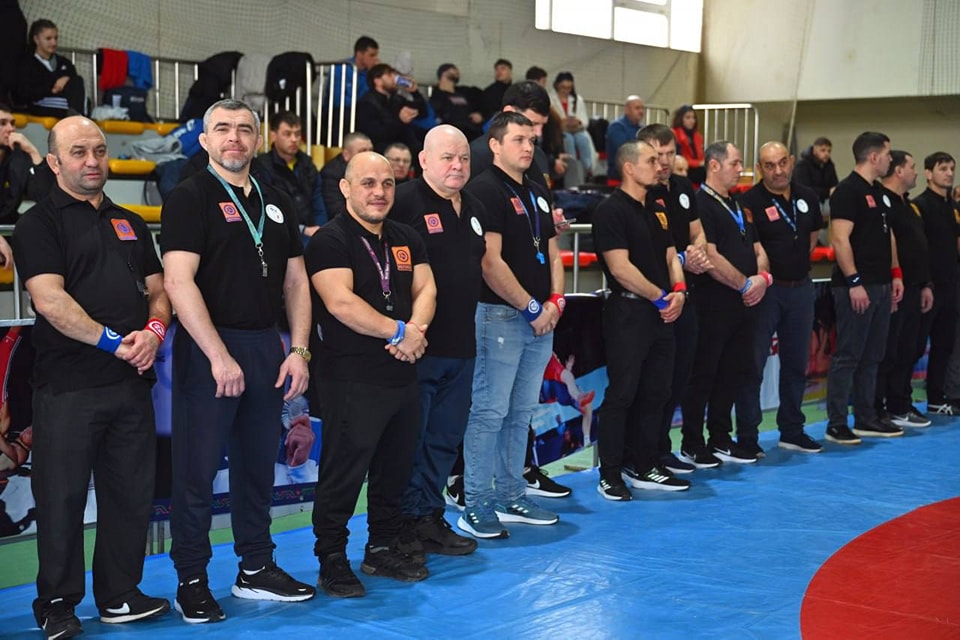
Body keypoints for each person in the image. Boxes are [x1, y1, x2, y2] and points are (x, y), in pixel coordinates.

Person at [12, 115, 171, 638]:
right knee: (61, 498)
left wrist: (153, 333)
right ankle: (57, 603)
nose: (92, 161)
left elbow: (159, 290)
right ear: (54, 162)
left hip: (131, 382)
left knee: (130, 495)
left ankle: (120, 595)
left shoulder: (130, 221)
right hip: (69, 386)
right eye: (78, 152)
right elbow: (50, 301)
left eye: (99, 151)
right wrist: (114, 342)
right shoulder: (39, 223)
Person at [161, 99, 316, 623]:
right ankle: (191, 579)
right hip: (210, 348)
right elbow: (178, 282)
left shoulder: (277, 201)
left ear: (258, 139)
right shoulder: (189, 197)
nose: (235, 137)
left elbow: (296, 282)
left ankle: (255, 568)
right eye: (223, 128)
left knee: (256, 469)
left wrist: (298, 348)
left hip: (264, 346)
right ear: (205, 140)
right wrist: (218, 355)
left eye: (245, 129)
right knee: (197, 473)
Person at [307, 151, 436, 597]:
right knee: (343, 473)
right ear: (346, 188)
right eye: (367, 183)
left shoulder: (405, 237)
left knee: (395, 469)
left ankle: (381, 546)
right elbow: (340, 303)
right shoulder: (329, 240)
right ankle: (331, 558)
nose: (379, 192)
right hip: (350, 376)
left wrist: (415, 331)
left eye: (387, 183)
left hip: (402, 372)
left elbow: (426, 287)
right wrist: (401, 332)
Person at [457, 111, 565, 539]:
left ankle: (511, 494)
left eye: (532, 140)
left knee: (521, 413)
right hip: (501, 315)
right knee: (490, 412)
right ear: (495, 145)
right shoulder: (484, 189)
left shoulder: (537, 190)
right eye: (518, 139)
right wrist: (533, 307)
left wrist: (556, 301)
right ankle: (476, 503)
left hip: (540, 317)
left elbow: (553, 253)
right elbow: (490, 262)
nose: (527, 146)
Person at [390, 125, 484, 560]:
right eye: (447, 157)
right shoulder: (404, 202)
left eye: (463, 158)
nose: (457, 166)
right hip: (418, 346)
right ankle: (399, 525)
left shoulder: (474, 206)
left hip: (463, 346)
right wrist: (400, 331)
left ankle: (429, 516)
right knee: (410, 442)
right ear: (424, 160)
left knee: (445, 440)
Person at [592, 140, 690, 500]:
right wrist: (661, 296)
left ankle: (646, 464)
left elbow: (671, 255)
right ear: (629, 168)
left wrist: (680, 290)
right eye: (651, 160)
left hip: (662, 312)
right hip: (629, 313)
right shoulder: (610, 210)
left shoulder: (658, 207)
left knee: (657, 391)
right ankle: (610, 473)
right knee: (622, 393)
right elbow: (620, 268)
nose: (659, 165)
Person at [680, 141, 770, 468]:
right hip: (713, 302)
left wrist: (762, 279)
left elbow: (758, 248)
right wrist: (745, 283)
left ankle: (720, 437)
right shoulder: (701, 204)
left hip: (744, 302)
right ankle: (692, 442)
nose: (740, 169)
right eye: (735, 163)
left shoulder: (739, 204)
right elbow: (710, 256)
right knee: (704, 373)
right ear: (714, 165)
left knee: (733, 371)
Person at [736, 142, 825, 455]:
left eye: (782, 163)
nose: (778, 171)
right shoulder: (749, 201)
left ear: (791, 161)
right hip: (766, 292)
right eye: (769, 165)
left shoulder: (808, 196)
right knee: (753, 366)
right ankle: (747, 437)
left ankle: (792, 430)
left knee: (796, 364)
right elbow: (751, 247)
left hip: (801, 289)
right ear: (760, 168)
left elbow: (811, 237)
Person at [637, 123, 711, 475]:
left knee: (679, 377)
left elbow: (698, 232)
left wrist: (696, 252)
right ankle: (642, 454)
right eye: (657, 155)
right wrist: (682, 258)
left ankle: (663, 448)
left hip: (687, 295)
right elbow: (646, 251)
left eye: (670, 154)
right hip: (652, 298)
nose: (664, 161)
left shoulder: (682, 188)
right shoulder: (641, 193)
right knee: (652, 383)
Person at [825, 131, 904, 444]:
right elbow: (839, 239)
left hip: (882, 284)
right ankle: (836, 423)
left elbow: (888, 235)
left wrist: (895, 274)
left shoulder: (879, 192)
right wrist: (854, 281)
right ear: (873, 157)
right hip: (856, 286)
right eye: (887, 154)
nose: (890, 159)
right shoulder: (847, 191)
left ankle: (866, 417)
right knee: (848, 355)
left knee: (873, 356)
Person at [874, 150, 933, 428]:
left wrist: (925, 284)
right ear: (898, 171)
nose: (916, 172)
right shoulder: (883, 202)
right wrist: (893, 279)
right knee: (889, 351)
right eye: (912, 166)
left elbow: (920, 246)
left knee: (910, 349)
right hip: (893, 287)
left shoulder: (908, 205)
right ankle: (879, 406)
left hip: (913, 286)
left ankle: (900, 403)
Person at [913, 152, 959, 415]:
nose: (949, 173)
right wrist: (925, 284)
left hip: (951, 285)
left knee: (944, 344)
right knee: (916, 345)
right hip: (929, 286)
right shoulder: (919, 206)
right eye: (943, 168)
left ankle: (935, 396)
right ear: (929, 173)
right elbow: (918, 250)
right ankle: (897, 400)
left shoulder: (953, 207)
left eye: (952, 168)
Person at [253, 111, 327, 241]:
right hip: (280, 234)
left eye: (297, 134)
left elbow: (318, 202)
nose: (294, 139)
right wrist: (302, 229)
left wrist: (321, 229)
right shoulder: (262, 166)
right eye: (287, 134)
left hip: (313, 232)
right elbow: (266, 211)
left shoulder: (307, 163)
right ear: (273, 135)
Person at [17, 20, 85, 116]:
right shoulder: (26, 63)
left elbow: (75, 85)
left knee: (78, 80)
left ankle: (75, 115)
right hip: (41, 109)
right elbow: (24, 93)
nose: (54, 42)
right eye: (48, 38)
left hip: (68, 109)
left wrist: (67, 79)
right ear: (36, 39)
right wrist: (53, 87)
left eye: (56, 38)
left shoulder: (65, 63)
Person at [357, 63, 428, 153]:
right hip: (384, 147)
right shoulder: (367, 103)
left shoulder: (397, 99)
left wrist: (415, 93)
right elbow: (375, 133)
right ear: (377, 81)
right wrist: (400, 120)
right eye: (389, 75)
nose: (394, 78)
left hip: (405, 144)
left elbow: (422, 113)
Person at [1, 103, 48, 234]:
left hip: (8, 227)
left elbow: (46, 198)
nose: (11, 129)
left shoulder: (18, 159)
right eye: (2, 123)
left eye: (12, 123)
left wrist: (33, 151)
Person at [549, 72, 596, 177]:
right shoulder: (550, 99)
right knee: (568, 139)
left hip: (577, 130)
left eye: (569, 88)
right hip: (561, 131)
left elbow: (585, 120)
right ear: (557, 85)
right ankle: (573, 167)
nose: (566, 91)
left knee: (582, 139)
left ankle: (587, 169)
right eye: (563, 87)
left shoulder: (578, 99)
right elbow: (551, 120)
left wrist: (578, 122)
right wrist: (562, 122)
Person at [320, 131, 373, 221]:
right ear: (346, 155)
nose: (369, 155)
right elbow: (336, 209)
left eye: (371, 150)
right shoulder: (331, 173)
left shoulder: (375, 169)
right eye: (362, 151)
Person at [430, 63, 483, 141]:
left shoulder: (461, 94)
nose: (457, 72)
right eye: (454, 70)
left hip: (472, 132)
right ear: (444, 73)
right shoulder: (437, 96)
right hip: (455, 135)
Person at [328, 35, 380, 109]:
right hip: (339, 110)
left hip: (360, 109)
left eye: (376, 56)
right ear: (359, 54)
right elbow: (338, 100)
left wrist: (375, 73)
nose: (376, 59)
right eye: (372, 55)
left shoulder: (370, 72)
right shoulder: (341, 68)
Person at [604, 96, 645, 181]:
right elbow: (624, 150)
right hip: (619, 171)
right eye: (637, 108)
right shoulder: (616, 127)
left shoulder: (642, 129)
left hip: (637, 168)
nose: (641, 111)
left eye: (642, 108)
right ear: (627, 110)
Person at [793, 137, 839, 207]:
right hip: (806, 201)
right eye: (823, 150)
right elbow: (803, 189)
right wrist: (828, 192)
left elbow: (834, 184)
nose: (826, 154)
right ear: (814, 151)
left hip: (825, 200)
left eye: (829, 151)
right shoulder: (802, 165)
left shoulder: (829, 166)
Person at [671, 105, 704, 184]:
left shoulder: (697, 136)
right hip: (683, 166)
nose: (692, 121)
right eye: (688, 117)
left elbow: (701, 155)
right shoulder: (674, 134)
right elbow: (678, 156)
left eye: (693, 118)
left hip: (696, 167)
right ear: (681, 119)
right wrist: (698, 163)